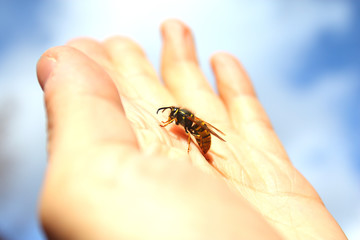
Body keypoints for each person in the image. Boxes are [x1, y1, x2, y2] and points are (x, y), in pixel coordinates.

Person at [36, 19, 347, 239]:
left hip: (203, 142)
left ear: (177, 115)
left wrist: (191, 143)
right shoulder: (180, 117)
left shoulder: (186, 123)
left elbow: (194, 129)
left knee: (198, 134)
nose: (172, 119)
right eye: (172, 116)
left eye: (172, 115)